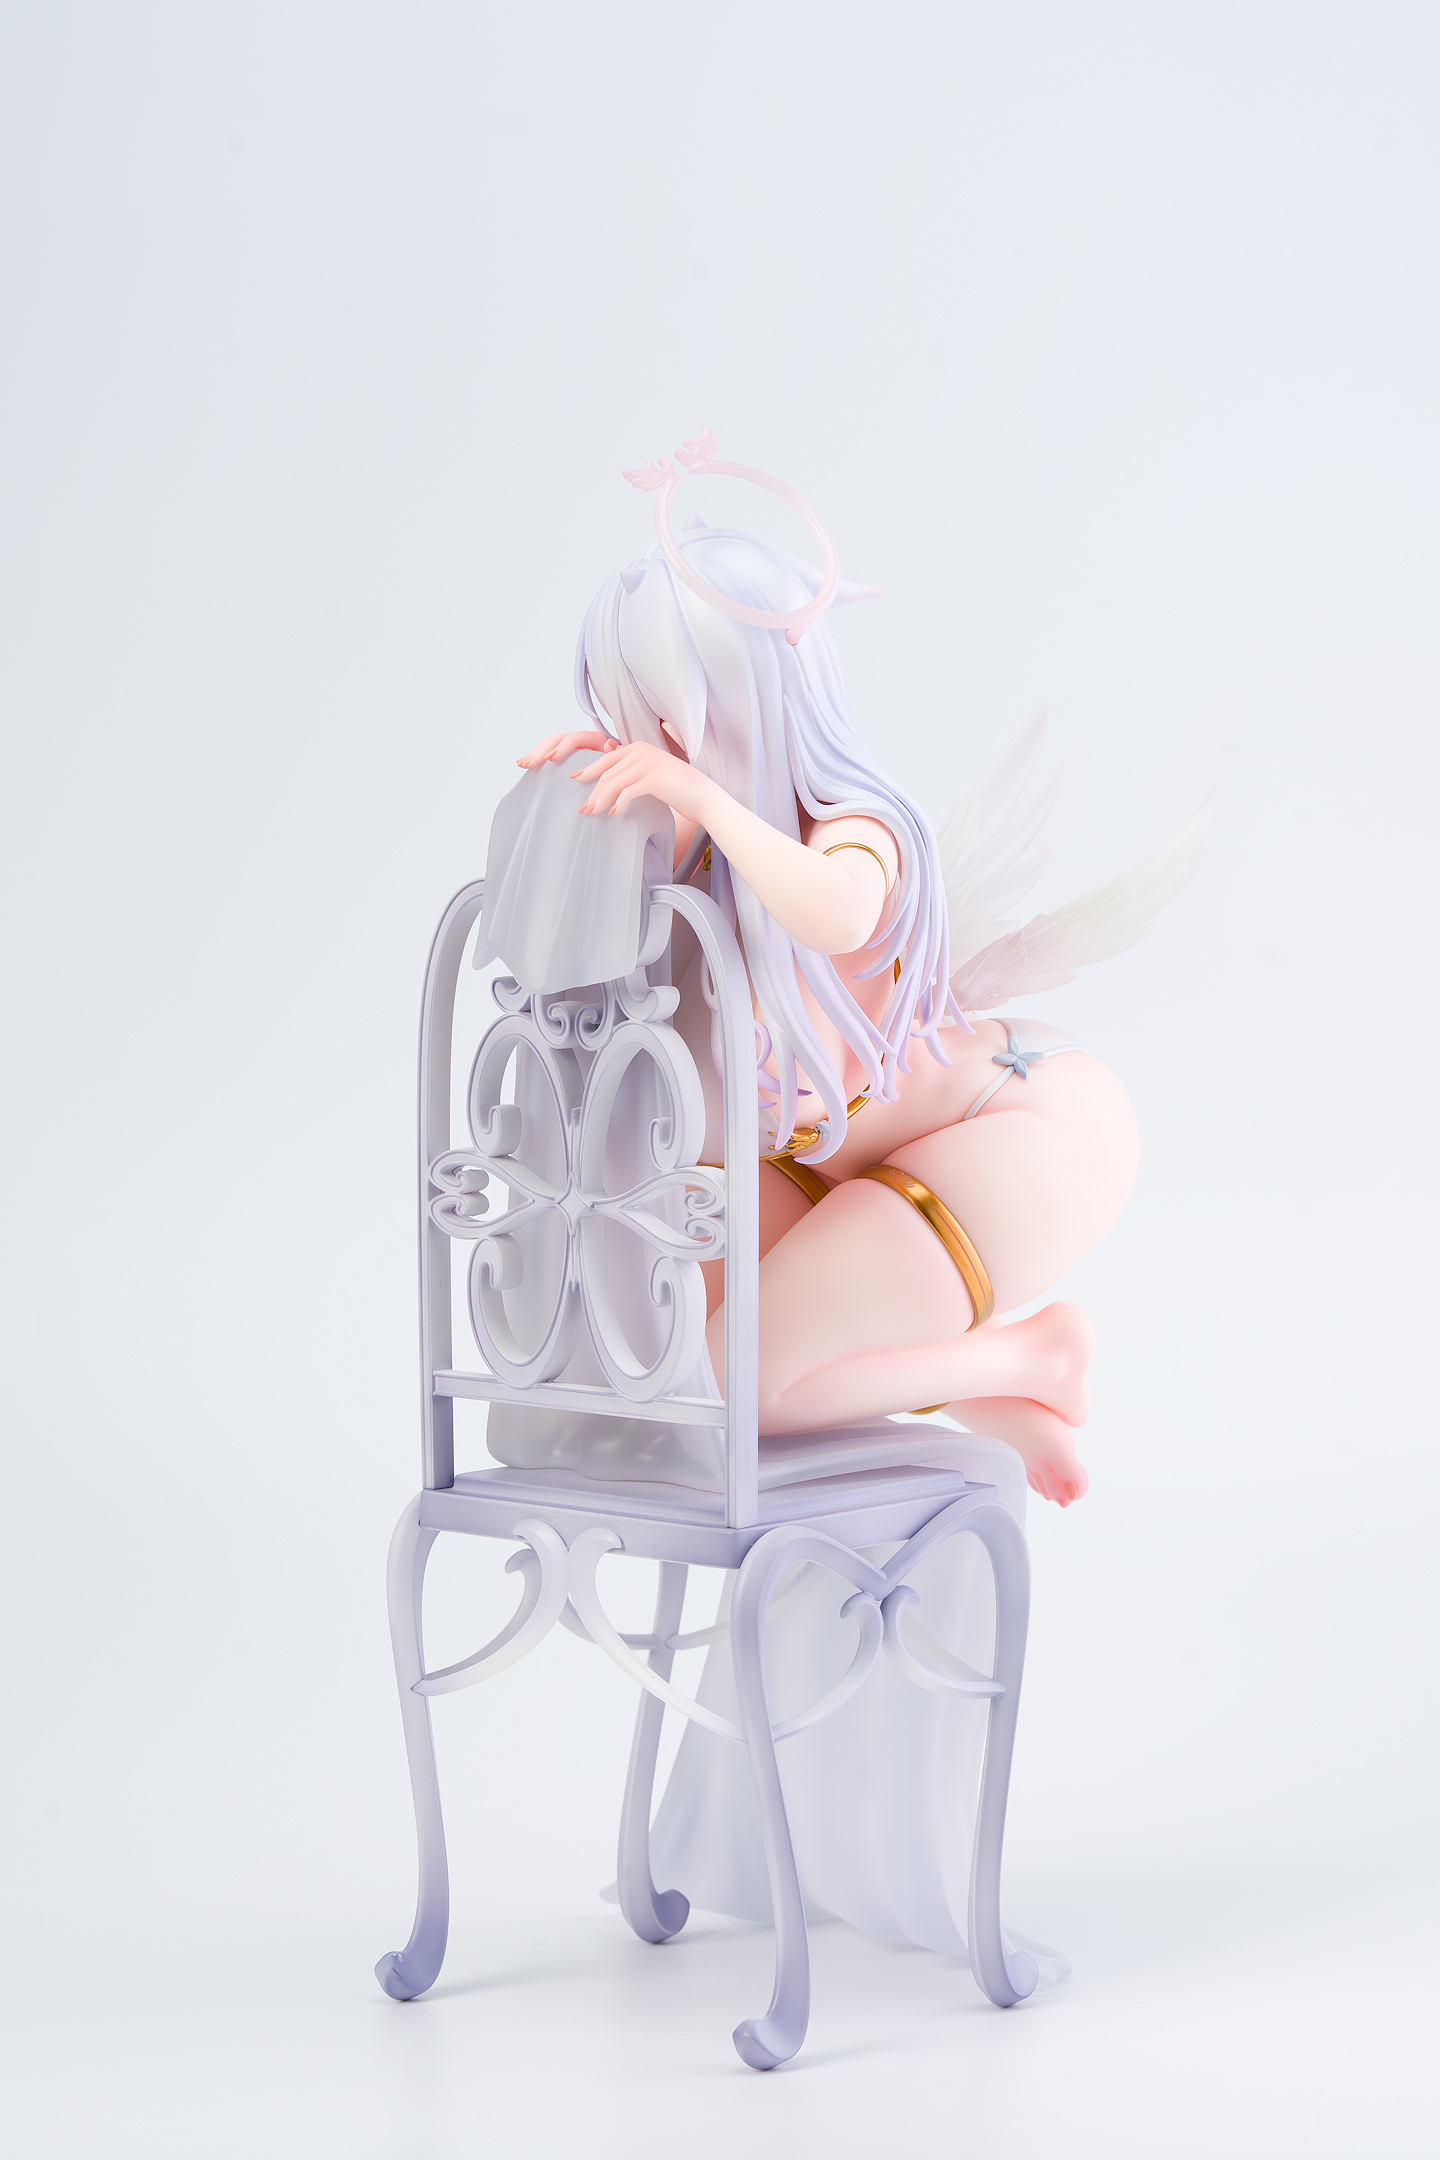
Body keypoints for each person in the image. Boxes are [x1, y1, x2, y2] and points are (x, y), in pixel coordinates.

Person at [515, 513, 1202, 1507]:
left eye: (669, 717)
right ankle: (996, 1382)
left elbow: (839, 912)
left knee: (730, 1384)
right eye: (630, 715)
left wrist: (702, 800)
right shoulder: (714, 851)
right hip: (825, 1156)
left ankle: (1026, 1359)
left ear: (752, 695)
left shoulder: (855, 826)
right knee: (675, 1347)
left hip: (1014, 1126)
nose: (652, 746)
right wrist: (595, 804)